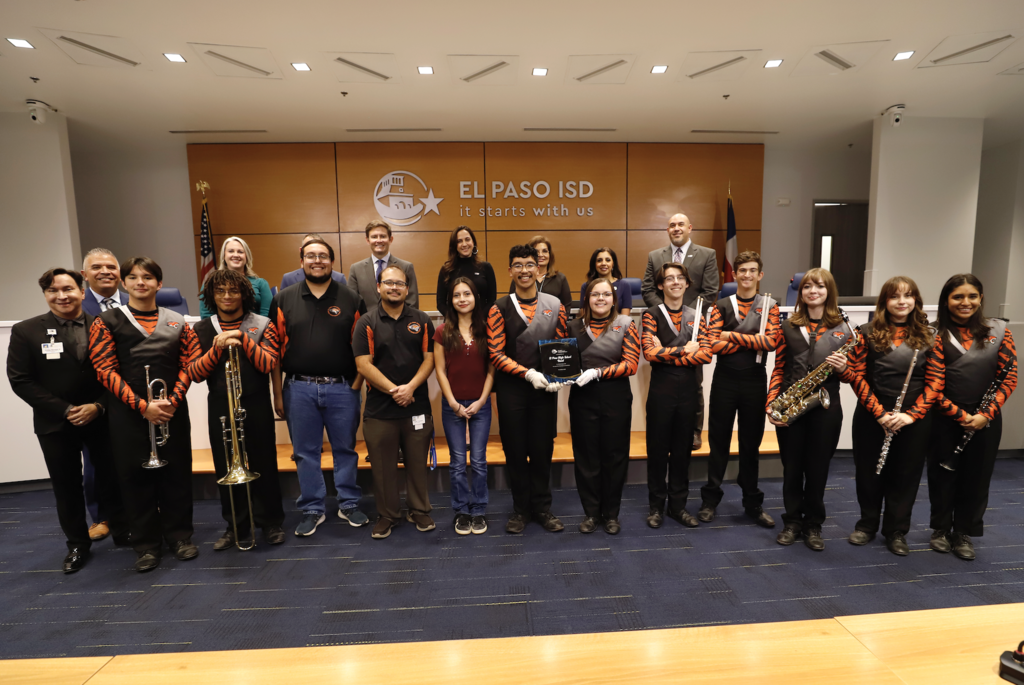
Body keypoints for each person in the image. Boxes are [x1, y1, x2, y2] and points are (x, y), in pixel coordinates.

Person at [7, 268, 128, 573]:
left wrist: (97, 407)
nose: (61, 296)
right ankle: (77, 544)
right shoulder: (26, 331)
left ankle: (123, 530)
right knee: (67, 485)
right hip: (55, 422)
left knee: (112, 477)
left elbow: (120, 373)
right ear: (46, 295)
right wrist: (65, 410)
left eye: (68, 289)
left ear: (82, 291)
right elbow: (20, 380)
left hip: (101, 417)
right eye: (53, 290)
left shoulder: (105, 325)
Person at [89, 257, 201, 572]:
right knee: (134, 478)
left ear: (158, 284)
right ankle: (146, 545)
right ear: (124, 284)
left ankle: (180, 536)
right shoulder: (106, 321)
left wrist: (172, 401)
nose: (141, 282)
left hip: (170, 410)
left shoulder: (177, 320)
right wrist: (143, 407)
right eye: (134, 277)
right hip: (128, 414)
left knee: (177, 475)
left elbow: (189, 365)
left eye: (148, 277)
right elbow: (104, 370)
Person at [270, 239, 369, 537]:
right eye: (311, 256)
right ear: (301, 261)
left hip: (342, 389)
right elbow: (274, 351)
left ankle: (348, 503)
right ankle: (313, 508)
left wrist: (356, 385)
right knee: (305, 452)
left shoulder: (351, 298)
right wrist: (277, 393)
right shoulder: (284, 299)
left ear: (332, 262)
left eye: (323, 256)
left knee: (346, 450)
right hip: (298, 389)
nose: (317, 260)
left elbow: (363, 348)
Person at [843, 276, 944, 557]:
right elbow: (856, 376)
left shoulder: (929, 335)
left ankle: (896, 531)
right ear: (884, 301)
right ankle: (867, 524)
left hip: (913, 418)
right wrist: (879, 413)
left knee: (906, 474)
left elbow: (936, 381)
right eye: (895, 296)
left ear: (916, 300)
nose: (902, 302)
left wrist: (911, 416)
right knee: (869, 472)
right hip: (872, 415)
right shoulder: (866, 332)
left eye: (908, 295)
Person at [188, 269, 286, 549]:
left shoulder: (262, 323)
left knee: (264, 462)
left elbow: (268, 363)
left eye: (233, 291)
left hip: (254, 402)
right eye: (220, 291)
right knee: (225, 464)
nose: (227, 296)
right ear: (212, 296)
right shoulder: (201, 329)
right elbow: (194, 372)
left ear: (244, 293)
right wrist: (217, 348)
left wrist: (242, 339)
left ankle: (271, 522)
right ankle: (235, 525)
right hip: (219, 403)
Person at [927, 274, 1016, 561]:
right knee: (941, 475)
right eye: (957, 297)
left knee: (977, 476)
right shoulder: (932, 332)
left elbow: (1009, 376)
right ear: (946, 300)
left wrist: (984, 415)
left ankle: (964, 531)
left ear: (980, 299)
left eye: (972, 296)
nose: (965, 302)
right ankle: (940, 528)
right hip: (944, 415)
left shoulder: (999, 330)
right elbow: (931, 383)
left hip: (985, 418)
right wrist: (958, 413)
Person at [766, 269, 854, 551]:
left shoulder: (844, 328)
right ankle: (792, 521)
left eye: (819, 286)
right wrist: (772, 402)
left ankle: (813, 524)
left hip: (826, 406)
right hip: (791, 404)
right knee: (792, 468)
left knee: (817, 469)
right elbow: (779, 367)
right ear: (800, 292)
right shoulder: (788, 325)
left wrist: (845, 369)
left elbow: (855, 373)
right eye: (807, 287)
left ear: (829, 291)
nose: (812, 291)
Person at [488, 244, 568, 534]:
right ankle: (520, 510)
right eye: (518, 265)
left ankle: (543, 509)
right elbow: (496, 354)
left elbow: (560, 344)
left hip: (544, 391)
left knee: (542, 449)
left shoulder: (554, 304)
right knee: (516, 451)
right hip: (512, 391)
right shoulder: (498, 308)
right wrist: (527, 373)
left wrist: (559, 375)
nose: (524, 270)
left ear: (539, 269)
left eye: (529, 265)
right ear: (510, 270)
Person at [354, 265, 436, 540]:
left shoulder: (422, 320)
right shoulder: (366, 322)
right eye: (388, 283)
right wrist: (394, 390)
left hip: (417, 406)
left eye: (400, 283)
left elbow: (429, 359)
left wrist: (410, 388)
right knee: (382, 466)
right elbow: (363, 364)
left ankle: (419, 509)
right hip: (380, 409)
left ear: (407, 288)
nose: (394, 287)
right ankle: (388, 514)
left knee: (417, 463)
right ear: (378, 287)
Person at [700, 251, 780, 528]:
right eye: (742, 270)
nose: (747, 275)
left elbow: (770, 342)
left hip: (754, 380)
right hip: (725, 379)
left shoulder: (770, 304)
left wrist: (728, 335)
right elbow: (712, 345)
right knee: (718, 443)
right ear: (734, 275)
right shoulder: (721, 305)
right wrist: (751, 339)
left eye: (752, 270)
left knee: (750, 445)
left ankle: (752, 503)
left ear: (760, 274)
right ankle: (710, 501)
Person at [641, 263, 718, 529]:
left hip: (688, 391)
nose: (675, 282)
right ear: (660, 285)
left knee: (682, 452)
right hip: (661, 392)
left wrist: (668, 352)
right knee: (658, 451)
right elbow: (649, 354)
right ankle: (655, 507)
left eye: (680, 278)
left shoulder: (697, 315)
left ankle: (678, 506)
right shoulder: (650, 314)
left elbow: (706, 355)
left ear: (687, 284)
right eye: (669, 279)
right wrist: (686, 350)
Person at [566, 278, 640, 534]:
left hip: (616, 397)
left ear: (614, 298)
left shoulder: (626, 324)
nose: (600, 299)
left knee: (615, 457)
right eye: (595, 294)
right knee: (586, 458)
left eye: (606, 294)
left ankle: (611, 514)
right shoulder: (572, 327)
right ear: (586, 298)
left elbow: (631, 364)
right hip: (582, 398)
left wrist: (597, 372)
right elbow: (562, 362)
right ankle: (590, 514)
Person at [641, 213, 719, 449]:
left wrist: (687, 313)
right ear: (668, 230)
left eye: (680, 224)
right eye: (672, 225)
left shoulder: (707, 254)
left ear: (689, 228)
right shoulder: (655, 256)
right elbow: (647, 288)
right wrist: (664, 311)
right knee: (664, 376)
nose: (676, 228)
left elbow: (710, 290)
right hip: (663, 320)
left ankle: (694, 431)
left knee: (693, 383)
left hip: (693, 321)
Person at [433, 276, 495, 535]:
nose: (462, 299)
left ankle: (479, 510)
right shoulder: (442, 331)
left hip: (481, 404)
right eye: (457, 295)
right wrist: (452, 402)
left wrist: (482, 400)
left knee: (479, 460)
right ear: (451, 300)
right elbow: (439, 370)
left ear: (475, 297)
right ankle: (461, 511)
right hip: (452, 405)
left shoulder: (488, 328)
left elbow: (492, 370)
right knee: (458, 461)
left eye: (467, 294)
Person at [79, 247, 129, 541]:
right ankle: (101, 516)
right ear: (85, 275)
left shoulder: (134, 301)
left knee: (135, 455)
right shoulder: (77, 305)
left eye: (111, 266)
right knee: (96, 460)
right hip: (95, 397)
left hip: (133, 392)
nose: (105, 271)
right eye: (96, 267)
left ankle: (140, 507)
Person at [348, 220, 419, 309]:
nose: (379, 240)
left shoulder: (406, 267)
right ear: (367, 240)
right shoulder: (356, 269)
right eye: (374, 237)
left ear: (390, 239)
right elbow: (351, 303)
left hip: (399, 321)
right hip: (367, 322)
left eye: (383, 236)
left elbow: (412, 303)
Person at [199, 237, 273, 318]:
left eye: (240, 252)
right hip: (220, 330)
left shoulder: (261, 283)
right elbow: (206, 316)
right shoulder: (211, 283)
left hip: (256, 329)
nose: (236, 255)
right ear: (224, 256)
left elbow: (267, 315)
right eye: (231, 251)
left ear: (246, 257)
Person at [435, 226, 497, 317]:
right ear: (454, 246)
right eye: (459, 241)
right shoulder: (446, 270)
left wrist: (477, 320)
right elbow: (440, 303)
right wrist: (456, 321)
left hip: (482, 324)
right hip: (454, 326)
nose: (464, 244)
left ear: (473, 242)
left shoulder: (486, 267)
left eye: (467, 239)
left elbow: (492, 300)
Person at [506, 236, 571, 308]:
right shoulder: (521, 277)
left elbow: (566, 306)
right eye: (537, 252)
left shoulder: (560, 279)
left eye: (545, 251)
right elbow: (511, 304)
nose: (540, 255)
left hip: (553, 318)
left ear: (550, 255)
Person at [279, 233, 348, 290]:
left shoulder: (339, 278)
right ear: (301, 251)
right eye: (311, 254)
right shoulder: (288, 278)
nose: (317, 261)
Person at [580, 248, 632, 315]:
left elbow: (625, 318)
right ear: (594, 264)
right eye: (599, 260)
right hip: (592, 325)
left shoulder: (624, 285)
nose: (603, 263)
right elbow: (584, 314)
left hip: (618, 324)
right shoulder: (586, 286)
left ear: (613, 263)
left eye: (608, 260)